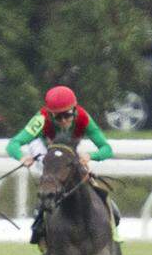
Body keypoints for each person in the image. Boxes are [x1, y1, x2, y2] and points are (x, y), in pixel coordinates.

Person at [6, 85, 115, 245]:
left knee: (90, 181)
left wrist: (91, 156)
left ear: (75, 110)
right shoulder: (41, 119)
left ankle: (114, 230)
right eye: (58, 117)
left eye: (67, 115)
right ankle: (41, 222)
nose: (63, 121)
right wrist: (22, 157)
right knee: (52, 176)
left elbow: (107, 149)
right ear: (50, 114)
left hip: (71, 150)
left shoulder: (83, 118)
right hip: (45, 150)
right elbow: (13, 144)